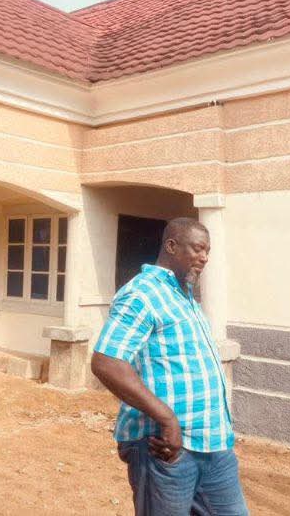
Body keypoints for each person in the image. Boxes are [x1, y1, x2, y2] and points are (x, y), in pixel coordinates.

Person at [91, 217, 249, 516]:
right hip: (168, 447)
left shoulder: (184, 296)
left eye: (207, 251)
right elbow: (107, 362)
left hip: (213, 444)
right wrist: (166, 419)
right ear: (172, 246)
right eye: (198, 249)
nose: (205, 257)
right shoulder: (142, 293)